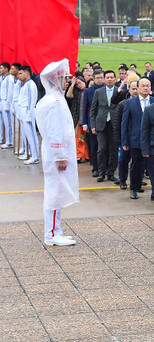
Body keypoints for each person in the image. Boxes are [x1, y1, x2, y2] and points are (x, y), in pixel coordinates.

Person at [35, 59, 78, 246]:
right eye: (64, 78)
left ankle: (56, 230)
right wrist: (61, 156)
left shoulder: (55, 99)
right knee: (55, 192)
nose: (67, 81)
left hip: (55, 154)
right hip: (56, 155)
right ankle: (51, 233)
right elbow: (55, 132)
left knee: (58, 192)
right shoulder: (53, 102)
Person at [121, 77, 154, 200]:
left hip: (153, 140)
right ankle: (134, 188)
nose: (146, 88)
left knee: (153, 167)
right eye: (143, 86)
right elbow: (124, 123)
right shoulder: (130, 103)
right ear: (138, 88)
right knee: (136, 165)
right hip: (136, 140)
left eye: (148, 85)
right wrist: (124, 141)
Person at [90, 69, 119, 182]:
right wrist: (93, 125)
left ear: (115, 79)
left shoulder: (119, 91)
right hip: (101, 124)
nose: (110, 79)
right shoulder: (98, 92)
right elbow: (92, 110)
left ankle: (111, 173)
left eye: (112, 77)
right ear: (104, 79)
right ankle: (101, 173)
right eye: (107, 77)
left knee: (114, 150)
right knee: (101, 149)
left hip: (115, 125)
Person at [17, 65, 40, 164]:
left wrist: (29, 114)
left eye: (21, 73)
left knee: (31, 135)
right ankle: (28, 151)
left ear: (27, 73)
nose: (19, 76)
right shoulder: (23, 84)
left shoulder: (31, 85)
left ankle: (35, 156)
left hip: (28, 112)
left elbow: (32, 101)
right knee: (25, 134)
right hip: (22, 111)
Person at [0, 62, 14, 149]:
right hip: (2, 101)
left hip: (6, 102)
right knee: (2, 122)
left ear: (6, 69)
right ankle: (2, 138)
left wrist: (8, 104)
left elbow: (10, 92)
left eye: (1, 68)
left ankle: (9, 141)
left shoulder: (9, 79)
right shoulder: (2, 78)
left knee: (8, 122)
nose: (0, 70)